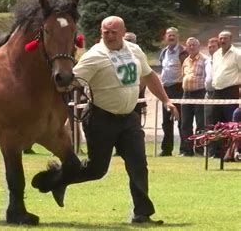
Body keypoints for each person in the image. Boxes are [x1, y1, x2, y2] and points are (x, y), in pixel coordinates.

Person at [72, 16, 179, 224]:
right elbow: (71, 81)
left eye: (114, 32)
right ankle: (58, 179)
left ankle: (142, 214)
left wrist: (166, 100)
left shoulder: (134, 50)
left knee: (138, 163)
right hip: (101, 117)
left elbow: (149, 76)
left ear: (123, 32)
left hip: (129, 117)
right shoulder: (94, 56)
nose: (110, 36)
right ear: (100, 32)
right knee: (97, 170)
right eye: (105, 32)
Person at [210, 30, 241, 157]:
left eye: (225, 38)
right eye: (221, 38)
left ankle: (231, 152)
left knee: (231, 123)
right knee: (216, 122)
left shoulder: (238, 54)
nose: (222, 41)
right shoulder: (216, 54)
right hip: (217, 92)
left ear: (230, 40)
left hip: (231, 91)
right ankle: (217, 152)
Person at [158, 27, 187, 156]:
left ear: (177, 36)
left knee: (181, 120)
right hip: (166, 89)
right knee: (166, 121)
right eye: (169, 35)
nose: (171, 37)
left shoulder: (183, 51)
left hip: (179, 88)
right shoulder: (164, 52)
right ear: (165, 37)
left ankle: (184, 149)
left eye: (173, 35)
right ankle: (166, 149)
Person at [180, 37, 207, 156]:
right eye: (189, 45)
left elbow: (208, 78)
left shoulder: (205, 60)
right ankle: (187, 150)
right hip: (186, 94)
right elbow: (183, 75)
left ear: (198, 46)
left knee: (200, 123)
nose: (191, 47)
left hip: (200, 93)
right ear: (186, 47)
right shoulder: (185, 61)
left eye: (193, 45)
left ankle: (199, 150)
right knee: (185, 123)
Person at [203, 37, 219, 128]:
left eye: (214, 47)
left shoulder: (223, 60)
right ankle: (209, 142)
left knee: (218, 121)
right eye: (210, 47)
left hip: (219, 94)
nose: (212, 49)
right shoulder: (206, 61)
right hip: (208, 95)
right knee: (208, 122)